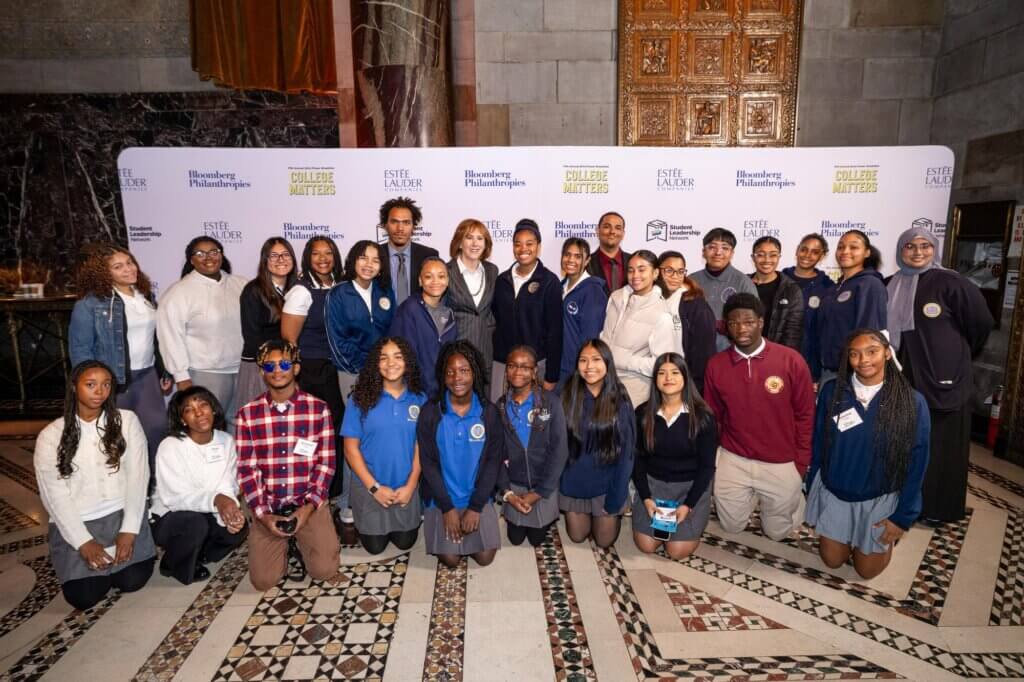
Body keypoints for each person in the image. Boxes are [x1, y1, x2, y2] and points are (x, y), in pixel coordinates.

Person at [886, 227, 993, 523]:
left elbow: (981, 324)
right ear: (900, 250)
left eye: (925, 246)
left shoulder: (952, 282)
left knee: (941, 446)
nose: (917, 252)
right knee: (903, 441)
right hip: (903, 377)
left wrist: (954, 354)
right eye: (910, 246)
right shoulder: (890, 284)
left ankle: (936, 509)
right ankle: (902, 502)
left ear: (935, 249)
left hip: (942, 378)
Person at [807, 330, 930, 578]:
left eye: (872, 352)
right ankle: (846, 533)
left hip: (879, 497)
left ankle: (869, 539)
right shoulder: (833, 392)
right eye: (855, 354)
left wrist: (902, 516)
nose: (863, 360)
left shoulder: (911, 401)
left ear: (887, 353)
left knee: (867, 571)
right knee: (832, 561)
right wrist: (812, 486)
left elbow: (918, 462)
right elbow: (819, 442)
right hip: (837, 492)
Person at [34, 360, 155, 610]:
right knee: (84, 597)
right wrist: (83, 542)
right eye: (90, 385)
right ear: (74, 387)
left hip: (121, 514)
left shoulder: (127, 421)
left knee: (132, 580)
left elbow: (138, 478)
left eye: (106, 384)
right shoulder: (50, 435)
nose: (99, 391)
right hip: (80, 521)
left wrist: (130, 529)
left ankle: (115, 564)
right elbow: (54, 496)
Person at [703, 294, 814, 540]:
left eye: (748, 322)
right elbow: (713, 417)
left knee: (777, 533)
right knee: (731, 526)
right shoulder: (716, 365)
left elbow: (805, 416)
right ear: (726, 326)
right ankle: (751, 494)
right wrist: (714, 458)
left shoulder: (791, 360)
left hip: (780, 461)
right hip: (735, 457)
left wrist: (800, 465)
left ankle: (793, 498)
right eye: (734, 323)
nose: (741, 328)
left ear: (761, 323)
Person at [235, 341, 340, 590]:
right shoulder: (247, 415)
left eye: (284, 364)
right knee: (263, 581)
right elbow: (247, 470)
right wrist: (263, 515)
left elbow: (326, 464)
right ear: (261, 371)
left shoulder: (318, 410)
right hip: (269, 505)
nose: (277, 370)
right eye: (269, 366)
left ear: (296, 368)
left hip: (307, 503)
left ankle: (305, 537)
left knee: (324, 570)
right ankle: (283, 542)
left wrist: (308, 508)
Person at [69, 243, 171, 471]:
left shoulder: (145, 296)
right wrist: (91, 386)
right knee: (117, 438)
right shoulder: (90, 304)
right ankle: (121, 484)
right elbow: (80, 350)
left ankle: (152, 483)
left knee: (156, 429)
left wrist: (163, 370)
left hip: (147, 375)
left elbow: (156, 339)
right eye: (118, 267)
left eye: (129, 262)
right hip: (113, 380)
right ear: (104, 273)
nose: (128, 269)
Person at [325, 240, 395, 532]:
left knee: (379, 434)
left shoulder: (385, 292)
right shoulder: (339, 293)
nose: (369, 264)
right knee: (356, 435)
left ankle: (382, 492)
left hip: (384, 374)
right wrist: (362, 372)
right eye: (363, 258)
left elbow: (390, 334)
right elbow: (336, 339)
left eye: (376, 260)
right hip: (351, 374)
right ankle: (348, 503)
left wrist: (385, 369)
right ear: (353, 261)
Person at [417, 340, 504, 568]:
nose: (457, 378)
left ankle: (474, 518)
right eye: (450, 372)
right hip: (441, 498)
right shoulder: (430, 413)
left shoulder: (489, 413)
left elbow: (493, 463)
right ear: (442, 375)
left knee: (485, 557)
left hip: (476, 496)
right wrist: (447, 508)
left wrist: (475, 507)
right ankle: (444, 522)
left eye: (464, 370)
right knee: (450, 559)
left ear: (475, 373)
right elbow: (428, 463)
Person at [151, 386, 247, 585]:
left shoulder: (226, 440)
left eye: (203, 405)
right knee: (195, 524)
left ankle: (199, 552)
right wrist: (217, 500)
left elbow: (228, 483)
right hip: (170, 516)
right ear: (182, 420)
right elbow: (175, 498)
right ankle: (172, 563)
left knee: (240, 527)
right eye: (189, 409)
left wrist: (229, 513)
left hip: (209, 510)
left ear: (213, 409)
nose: (199, 412)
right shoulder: (171, 446)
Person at [341, 337, 426, 554]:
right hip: (369, 486)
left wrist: (411, 486)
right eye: (383, 358)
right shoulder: (359, 399)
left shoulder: (419, 399)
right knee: (375, 547)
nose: (391, 363)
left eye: (398, 357)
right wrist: (374, 488)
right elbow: (350, 449)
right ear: (375, 363)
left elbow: (422, 446)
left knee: (405, 542)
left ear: (407, 362)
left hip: (404, 486)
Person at [632, 353, 717, 559]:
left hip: (689, 488)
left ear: (685, 377)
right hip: (654, 487)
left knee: (676, 551)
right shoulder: (643, 413)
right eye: (662, 373)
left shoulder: (703, 416)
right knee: (646, 546)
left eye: (675, 372)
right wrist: (646, 498)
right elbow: (637, 460)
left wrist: (688, 505)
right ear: (655, 379)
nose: (668, 378)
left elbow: (707, 467)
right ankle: (660, 525)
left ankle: (686, 525)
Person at [157, 236, 246, 428]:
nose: (208, 258)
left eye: (214, 252)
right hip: (204, 373)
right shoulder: (178, 293)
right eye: (200, 254)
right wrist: (181, 377)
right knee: (206, 427)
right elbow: (170, 337)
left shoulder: (241, 285)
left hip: (243, 370)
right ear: (191, 260)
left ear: (221, 255)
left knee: (241, 425)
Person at [559, 339, 635, 548]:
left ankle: (609, 513)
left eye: (596, 359)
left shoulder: (620, 397)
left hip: (606, 485)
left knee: (604, 541)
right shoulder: (566, 392)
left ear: (607, 363)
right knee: (577, 536)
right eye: (583, 360)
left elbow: (627, 455)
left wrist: (616, 496)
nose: (589, 366)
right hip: (574, 482)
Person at [496, 346, 569, 546]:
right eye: (512, 366)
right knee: (515, 539)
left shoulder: (551, 402)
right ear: (506, 370)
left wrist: (538, 493)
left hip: (543, 485)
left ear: (535, 371)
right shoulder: (500, 407)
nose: (518, 371)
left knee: (536, 540)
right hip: (514, 486)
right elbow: (495, 455)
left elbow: (560, 450)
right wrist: (507, 492)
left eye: (525, 367)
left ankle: (541, 509)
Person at [491, 219, 563, 399]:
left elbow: (555, 331)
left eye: (529, 243)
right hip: (503, 364)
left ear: (538, 246)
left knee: (534, 413)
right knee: (500, 411)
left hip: (536, 365)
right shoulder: (502, 281)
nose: (523, 249)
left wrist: (551, 375)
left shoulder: (549, 281)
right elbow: (496, 320)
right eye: (518, 244)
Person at [281, 235, 346, 433]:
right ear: (308, 258)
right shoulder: (301, 291)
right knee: (318, 425)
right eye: (316, 254)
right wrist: (293, 376)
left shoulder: (341, 284)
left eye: (328, 253)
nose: (322, 258)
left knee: (339, 422)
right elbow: (289, 339)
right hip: (313, 370)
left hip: (338, 366)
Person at [600, 250, 681, 407]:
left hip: (635, 392)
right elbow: (605, 335)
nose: (635, 275)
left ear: (655, 273)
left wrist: (626, 361)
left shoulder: (662, 313)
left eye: (642, 269)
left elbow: (663, 364)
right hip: (604, 384)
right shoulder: (616, 297)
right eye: (631, 270)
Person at [815, 230, 887, 385]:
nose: (845, 251)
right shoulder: (834, 288)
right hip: (829, 370)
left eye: (853, 247)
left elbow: (869, 333)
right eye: (841, 247)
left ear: (867, 252)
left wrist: (860, 370)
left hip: (854, 373)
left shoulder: (870, 284)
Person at [237, 237, 298, 407]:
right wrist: (272, 365)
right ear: (265, 261)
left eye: (286, 254)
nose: (281, 260)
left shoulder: (296, 288)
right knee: (260, 416)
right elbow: (252, 336)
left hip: (287, 365)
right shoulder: (253, 291)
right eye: (274, 255)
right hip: (261, 366)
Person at [388, 257, 458, 396]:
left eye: (441, 276)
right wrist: (417, 391)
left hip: (443, 392)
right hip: (416, 393)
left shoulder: (449, 313)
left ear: (447, 281)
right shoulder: (409, 309)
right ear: (420, 281)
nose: (435, 281)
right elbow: (403, 357)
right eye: (428, 276)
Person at [446, 219, 499, 380]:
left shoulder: (492, 271)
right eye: (469, 237)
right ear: (459, 242)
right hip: (455, 352)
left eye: (480, 238)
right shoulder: (446, 271)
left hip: (485, 351)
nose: (475, 243)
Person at [689, 228, 758, 352]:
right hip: (694, 348)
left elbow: (753, 321)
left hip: (731, 351)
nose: (718, 252)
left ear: (732, 253)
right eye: (712, 247)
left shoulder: (743, 282)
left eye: (725, 248)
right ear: (703, 252)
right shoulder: (691, 281)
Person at [657, 251, 716, 393]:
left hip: (689, 384)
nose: (675, 276)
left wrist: (692, 388)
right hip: (657, 379)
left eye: (680, 271)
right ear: (657, 272)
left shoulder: (697, 306)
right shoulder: (652, 300)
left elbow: (703, 354)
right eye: (669, 270)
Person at [781, 233, 836, 373]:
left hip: (810, 362)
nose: (807, 255)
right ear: (797, 250)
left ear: (822, 256)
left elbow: (826, 330)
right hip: (778, 355)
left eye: (815, 252)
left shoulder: (828, 287)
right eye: (804, 249)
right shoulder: (779, 280)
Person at [559, 238, 608, 384]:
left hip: (576, 372)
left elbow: (590, 338)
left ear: (587, 261)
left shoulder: (593, 291)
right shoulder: (560, 286)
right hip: (558, 367)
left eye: (578, 256)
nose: (571, 260)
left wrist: (583, 369)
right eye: (567, 254)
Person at [375, 196, 440, 305]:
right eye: (394, 222)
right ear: (385, 225)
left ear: (414, 227)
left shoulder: (428, 255)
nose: (400, 228)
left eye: (406, 223)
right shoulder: (375, 255)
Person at [749, 236, 804, 350]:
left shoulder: (791, 289)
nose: (767, 260)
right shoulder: (742, 283)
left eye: (773, 255)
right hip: (744, 351)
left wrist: (781, 357)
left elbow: (793, 333)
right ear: (753, 257)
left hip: (776, 353)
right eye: (761, 255)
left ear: (779, 257)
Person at [586, 211, 631, 292]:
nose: (612, 232)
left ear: (623, 234)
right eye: (607, 227)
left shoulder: (633, 261)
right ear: (597, 231)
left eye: (618, 228)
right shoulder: (585, 264)